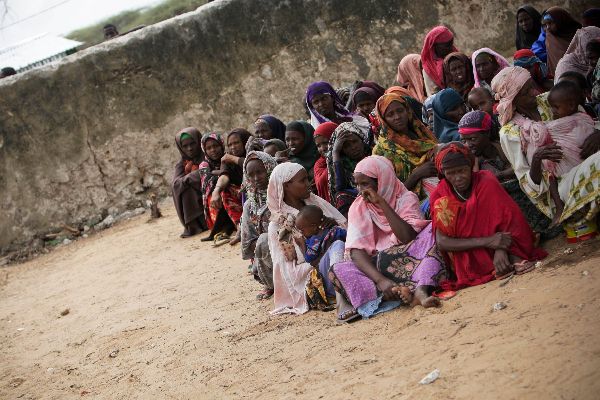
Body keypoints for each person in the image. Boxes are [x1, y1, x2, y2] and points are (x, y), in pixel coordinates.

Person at [329, 156, 445, 321]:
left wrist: (382, 203)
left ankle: (419, 290)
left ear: (383, 180)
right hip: (378, 267)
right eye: (357, 184)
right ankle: (393, 293)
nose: (361, 191)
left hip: (410, 257)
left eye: (365, 184)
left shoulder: (406, 198)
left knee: (432, 233)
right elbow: (356, 251)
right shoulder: (358, 206)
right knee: (339, 269)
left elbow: (407, 237)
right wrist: (380, 280)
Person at [492, 66, 600, 235]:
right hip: (558, 190)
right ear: (513, 99)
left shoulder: (551, 100)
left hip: (586, 160)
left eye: (532, 86)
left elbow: (584, 121)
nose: (534, 92)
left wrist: (597, 133)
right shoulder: (509, 133)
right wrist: (537, 159)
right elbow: (530, 187)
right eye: (527, 91)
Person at [430, 143, 547, 290]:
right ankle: (497, 263)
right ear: (443, 173)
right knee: (445, 209)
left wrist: (501, 248)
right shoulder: (440, 195)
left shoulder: (486, 180)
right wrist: (489, 241)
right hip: (470, 252)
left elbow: (508, 220)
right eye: (451, 173)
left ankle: (511, 255)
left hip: (502, 241)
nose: (458, 178)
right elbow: (443, 242)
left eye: (462, 171)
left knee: (512, 221)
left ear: (471, 167)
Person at [458, 111, 559, 239]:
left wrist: (500, 175)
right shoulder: (471, 161)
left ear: (487, 134)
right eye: (463, 140)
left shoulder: (503, 145)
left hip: (528, 193)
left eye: (472, 139)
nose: (468, 145)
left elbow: (520, 167)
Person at [267, 162, 346, 315]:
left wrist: (333, 225)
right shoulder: (278, 225)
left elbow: (346, 228)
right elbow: (287, 273)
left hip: (339, 259)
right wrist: (320, 251)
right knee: (336, 246)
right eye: (302, 181)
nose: (309, 184)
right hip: (315, 275)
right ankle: (341, 298)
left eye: (307, 179)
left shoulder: (315, 203)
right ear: (286, 186)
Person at [517, 81, 596, 225]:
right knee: (549, 173)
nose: (552, 111)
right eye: (525, 91)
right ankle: (560, 207)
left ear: (571, 105)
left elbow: (587, 137)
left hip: (583, 165)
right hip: (564, 177)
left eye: (556, 107)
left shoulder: (581, 120)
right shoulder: (513, 130)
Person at [372, 92, 438, 196]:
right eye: (390, 114)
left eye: (400, 111)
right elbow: (388, 194)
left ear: (407, 111)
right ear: (383, 120)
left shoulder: (423, 134)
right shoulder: (380, 151)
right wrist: (416, 175)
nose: (397, 117)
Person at [241, 151, 278, 300]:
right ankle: (271, 284)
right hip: (266, 253)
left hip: (290, 249)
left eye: (260, 172)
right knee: (262, 241)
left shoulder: (283, 194)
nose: (256, 178)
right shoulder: (250, 205)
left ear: (269, 168)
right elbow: (248, 240)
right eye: (251, 174)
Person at [198, 133, 243, 245]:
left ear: (221, 145)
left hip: (231, 197)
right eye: (208, 148)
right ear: (204, 149)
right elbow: (211, 180)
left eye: (215, 146)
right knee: (224, 188)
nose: (213, 150)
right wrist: (223, 176)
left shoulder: (228, 157)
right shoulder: (204, 164)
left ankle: (237, 224)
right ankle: (231, 226)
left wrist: (218, 173)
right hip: (214, 202)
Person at [327, 121, 371, 216]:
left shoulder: (373, 152)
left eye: (355, 141)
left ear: (361, 139)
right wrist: (335, 153)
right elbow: (339, 187)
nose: (353, 147)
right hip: (359, 200)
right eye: (346, 146)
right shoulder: (344, 163)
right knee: (341, 197)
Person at [172, 127, 208, 238]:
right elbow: (175, 184)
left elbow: (208, 171)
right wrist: (190, 178)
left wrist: (188, 178)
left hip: (209, 196)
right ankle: (195, 225)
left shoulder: (209, 153)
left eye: (192, 144)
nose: (190, 149)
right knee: (185, 190)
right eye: (185, 146)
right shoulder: (182, 162)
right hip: (197, 198)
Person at [542, 7, 582, 76]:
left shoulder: (580, 34)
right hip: (559, 78)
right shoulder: (550, 36)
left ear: (561, 20)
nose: (547, 27)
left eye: (550, 23)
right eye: (546, 24)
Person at [420, 26, 458, 96]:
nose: (450, 48)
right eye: (446, 45)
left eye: (451, 43)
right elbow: (434, 95)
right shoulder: (429, 69)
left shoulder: (456, 57)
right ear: (434, 46)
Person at [313, 122, 338, 202]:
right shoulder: (319, 164)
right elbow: (322, 182)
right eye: (318, 146)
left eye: (325, 143)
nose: (323, 148)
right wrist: (334, 157)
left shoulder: (351, 154)